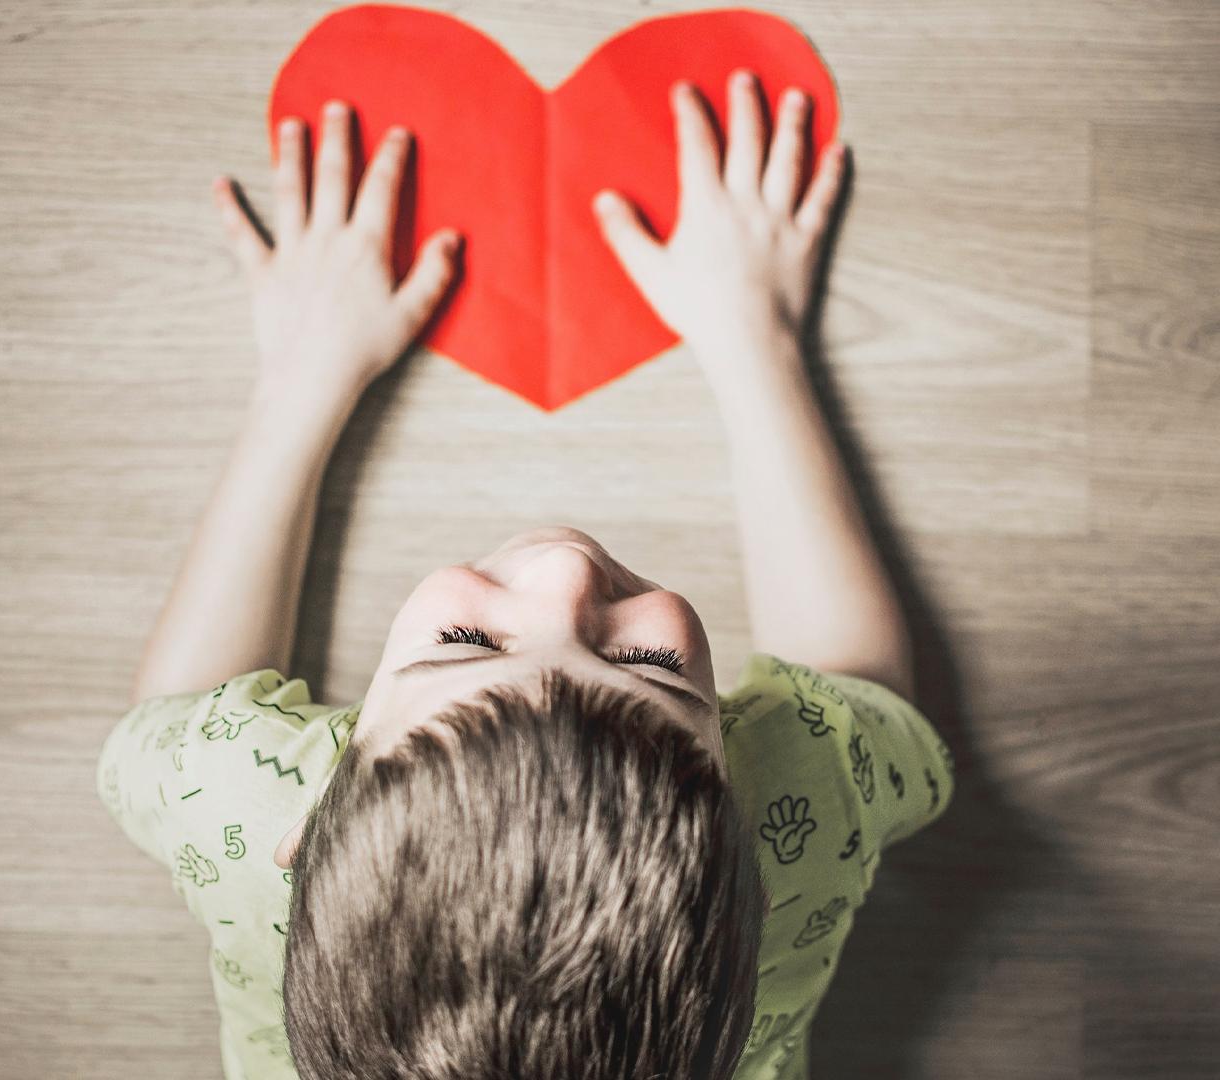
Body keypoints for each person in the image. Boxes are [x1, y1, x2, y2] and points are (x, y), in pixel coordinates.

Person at [97, 67, 956, 1080]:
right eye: (646, 664)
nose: (562, 570)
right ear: (753, 858)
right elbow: (864, 695)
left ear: (304, 826)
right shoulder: (801, 807)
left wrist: (300, 377)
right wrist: (752, 339)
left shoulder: (234, 805)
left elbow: (171, 722)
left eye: (465, 644)